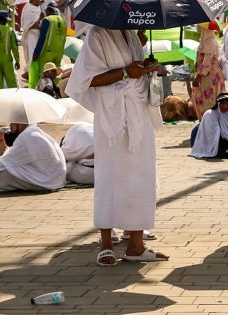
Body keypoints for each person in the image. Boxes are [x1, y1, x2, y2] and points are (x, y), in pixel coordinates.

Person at [68, 26, 168, 267]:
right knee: (110, 176)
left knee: (141, 176)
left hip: (139, 112)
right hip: (112, 116)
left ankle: (136, 244)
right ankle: (106, 243)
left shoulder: (132, 35)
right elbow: (86, 79)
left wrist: (146, 66)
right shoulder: (97, 35)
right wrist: (125, 72)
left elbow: (135, 71)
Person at [191, 23, 226, 117]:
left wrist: (198, 77)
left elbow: (207, 63)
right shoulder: (205, 41)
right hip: (206, 76)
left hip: (209, 78)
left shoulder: (209, 42)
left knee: (209, 104)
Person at [28, 6, 64, 90]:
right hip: (58, 53)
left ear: (48, 12)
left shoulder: (47, 20)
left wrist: (36, 53)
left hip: (47, 53)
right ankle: (55, 93)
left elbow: (42, 38)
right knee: (55, 74)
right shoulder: (63, 21)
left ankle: (43, 94)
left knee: (44, 74)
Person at [190, 92, 228, 159]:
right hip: (205, 143)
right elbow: (214, 135)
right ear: (218, 104)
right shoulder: (210, 114)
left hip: (225, 140)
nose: (225, 106)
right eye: (223, 103)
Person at [61, 121, 95, 185]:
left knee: (65, 164)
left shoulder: (71, 142)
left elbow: (62, 158)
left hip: (88, 175)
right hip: (106, 173)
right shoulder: (95, 133)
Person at [18, 0, 43, 80]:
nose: (42, 1)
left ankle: (30, 73)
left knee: (38, 55)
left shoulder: (39, 8)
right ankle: (30, 73)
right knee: (32, 55)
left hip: (38, 36)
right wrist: (39, 20)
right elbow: (28, 25)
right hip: (31, 36)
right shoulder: (28, 8)